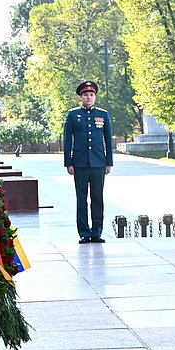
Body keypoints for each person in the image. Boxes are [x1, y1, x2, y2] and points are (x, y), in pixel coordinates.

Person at [63, 80, 113, 244]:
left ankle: (96, 232)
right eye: (85, 95)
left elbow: (108, 140)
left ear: (95, 97)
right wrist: (68, 162)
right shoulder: (72, 115)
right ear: (81, 97)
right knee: (81, 198)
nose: (89, 97)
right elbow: (67, 140)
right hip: (80, 163)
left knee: (97, 198)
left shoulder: (103, 114)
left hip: (99, 163)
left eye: (91, 95)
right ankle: (84, 233)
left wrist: (109, 162)